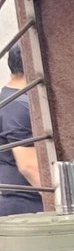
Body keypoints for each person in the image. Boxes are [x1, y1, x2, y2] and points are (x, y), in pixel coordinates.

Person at [0, 45, 41, 217]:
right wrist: (64, 206)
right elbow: (29, 166)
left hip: (20, 205)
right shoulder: (17, 104)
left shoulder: (9, 99)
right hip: (27, 207)